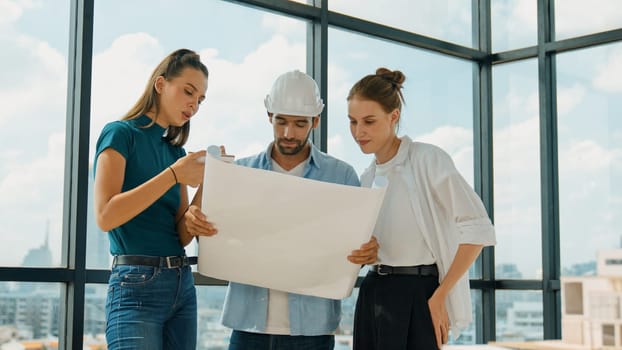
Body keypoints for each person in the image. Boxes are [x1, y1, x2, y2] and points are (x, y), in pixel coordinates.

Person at [183, 70, 379, 350]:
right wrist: (198, 224)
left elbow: (349, 253)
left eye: (300, 124)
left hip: (312, 332)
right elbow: (216, 240)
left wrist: (366, 252)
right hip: (248, 328)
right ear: (269, 116)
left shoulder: (342, 176)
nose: (289, 133)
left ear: (316, 121)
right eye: (281, 122)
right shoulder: (240, 172)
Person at [347, 68, 497, 350]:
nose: (358, 132)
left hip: (419, 294)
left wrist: (440, 296)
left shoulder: (429, 160)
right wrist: (366, 253)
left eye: (369, 121)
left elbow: (478, 229)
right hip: (372, 293)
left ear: (394, 117)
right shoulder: (366, 178)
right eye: (352, 122)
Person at [93, 48, 216, 350]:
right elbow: (106, 216)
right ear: (160, 84)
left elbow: (182, 235)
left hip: (182, 284)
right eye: (188, 91)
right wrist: (174, 175)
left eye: (200, 99)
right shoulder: (120, 134)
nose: (194, 105)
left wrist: (211, 182)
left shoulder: (176, 153)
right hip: (135, 287)